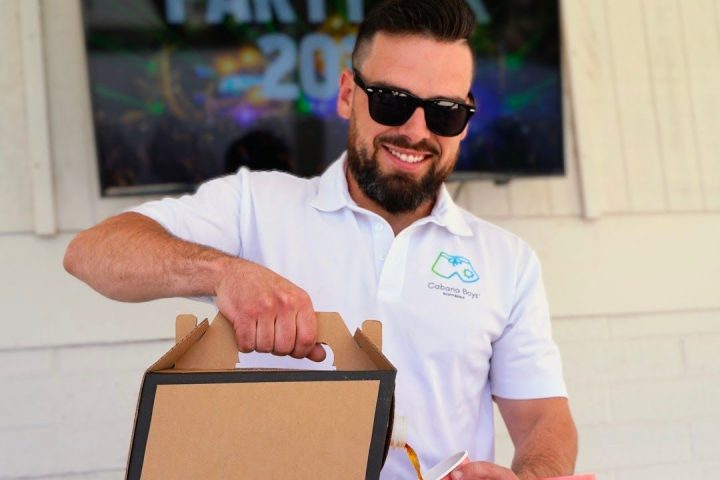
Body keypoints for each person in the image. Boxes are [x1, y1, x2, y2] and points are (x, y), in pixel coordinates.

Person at [64, 1, 577, 478]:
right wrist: (224, 274)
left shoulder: (507, 261)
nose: (417, 131)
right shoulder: (256, 205)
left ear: (465, 121)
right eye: (394, 102)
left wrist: (534, 474)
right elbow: (92, 253)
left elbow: (540, 418)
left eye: (444, 112)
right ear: (348, 95)